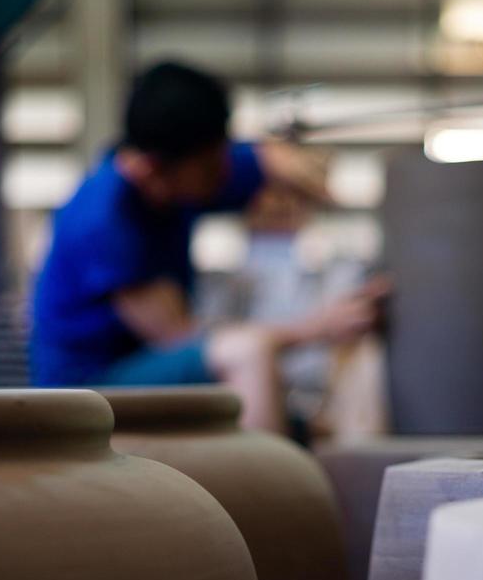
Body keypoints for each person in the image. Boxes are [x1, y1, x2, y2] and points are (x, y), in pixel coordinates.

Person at [30, 61, 388, 433]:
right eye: (212, 164)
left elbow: (270, 160)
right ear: (153, 170)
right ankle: (262, 491)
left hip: (147, 368)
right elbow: (178, 336)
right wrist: (320, 326)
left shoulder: (180, 168)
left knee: (303, 428)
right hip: (90, 392)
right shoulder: (103, 221)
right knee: (248, 353)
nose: (224, 172)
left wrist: (328, 193)